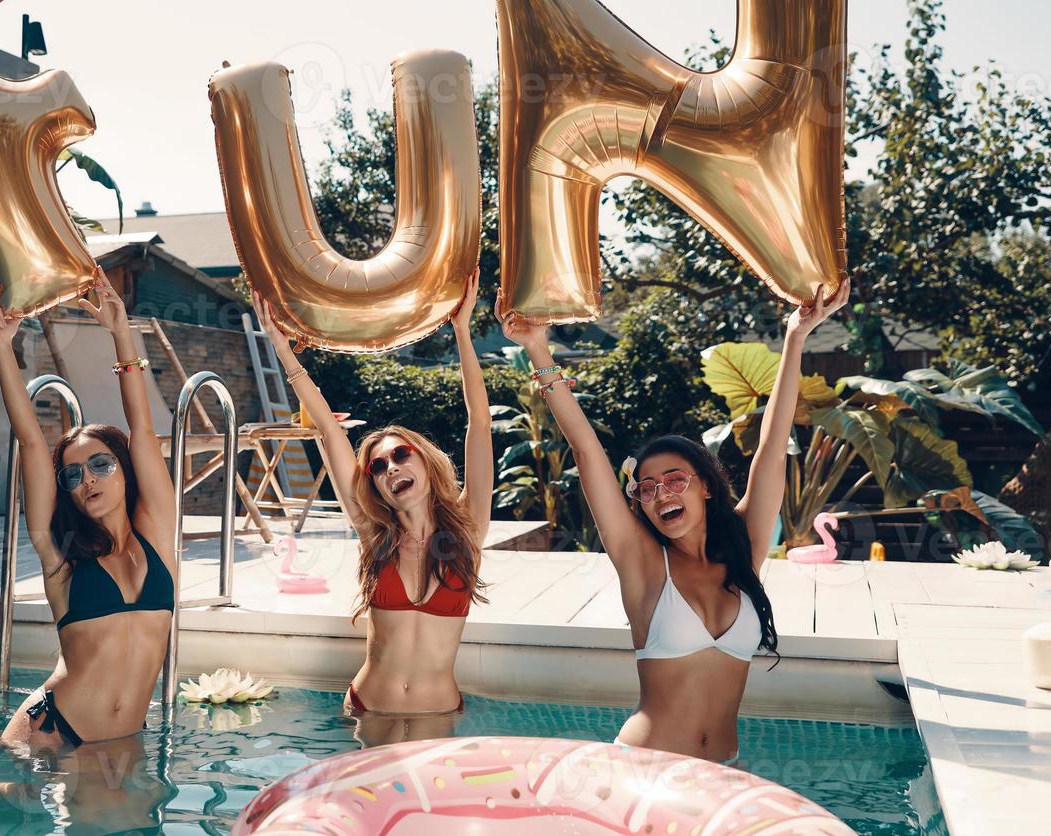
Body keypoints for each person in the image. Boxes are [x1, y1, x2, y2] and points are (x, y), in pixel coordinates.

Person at [500, 279, 850, 764]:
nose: (661, 492)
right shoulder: (643, 564)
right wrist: (538, 350)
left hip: (724, 772)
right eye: (647, 486)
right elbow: (587, 450)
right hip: (646, 770)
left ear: (705, 486)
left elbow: (771, 450)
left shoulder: (743, 551)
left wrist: (795, 336)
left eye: (674, 479)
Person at [251, 275, 492, 741]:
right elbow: (326, 427)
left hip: (437, 716)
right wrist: (282, 350)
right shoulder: (373, 536)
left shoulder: (468, 531)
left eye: (402, 455)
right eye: (378, 466)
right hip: (369, 711)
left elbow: (479, 424)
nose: (390, 467)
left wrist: (462, 331)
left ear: (425, 461)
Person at [0, 267, 178, 749]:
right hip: (52, 734)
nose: (87, 478)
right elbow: (31, 442)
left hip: (125, 740)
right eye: (73, 474)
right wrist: (3, 349)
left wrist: (121, 334)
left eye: (100, 464)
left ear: (124, 467)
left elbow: (144, 430)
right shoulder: (62, 553)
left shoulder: (157, 532)